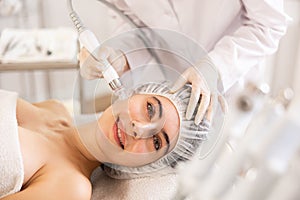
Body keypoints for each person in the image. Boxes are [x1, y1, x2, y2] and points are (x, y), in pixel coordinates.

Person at [78, 0, 290, 125]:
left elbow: (268, 24)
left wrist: (215, 67)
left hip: (234, 89)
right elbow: (133, 20)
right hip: (166, 93)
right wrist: (122, 57)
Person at [0, 81, 222, 199]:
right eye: (150, 108)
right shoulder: (54, 108)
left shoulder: (71, 187)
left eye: (156, 142)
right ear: (133, 93)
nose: (139, 128)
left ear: (146, 166)